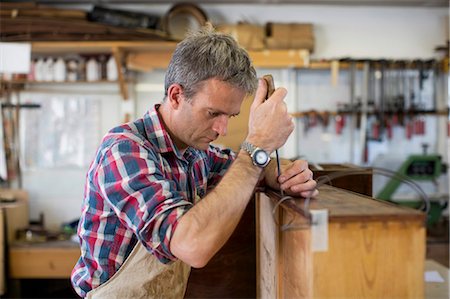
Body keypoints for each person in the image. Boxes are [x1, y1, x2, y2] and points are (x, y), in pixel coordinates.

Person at [71, 25, 318, 298]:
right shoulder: (123, 151)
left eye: (231, 116)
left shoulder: (196, 152)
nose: (222, 129)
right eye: (213, 113)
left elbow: (246, 168)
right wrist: (256, 147)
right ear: (176, 96)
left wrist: (280, 173)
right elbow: (192, 246)